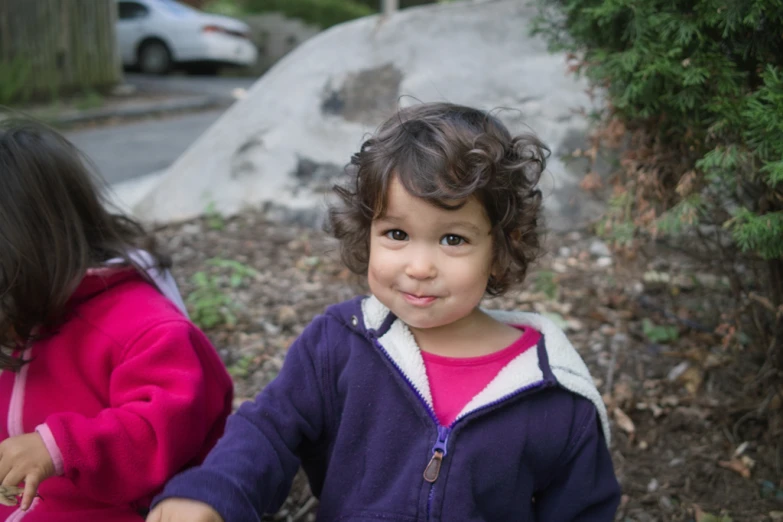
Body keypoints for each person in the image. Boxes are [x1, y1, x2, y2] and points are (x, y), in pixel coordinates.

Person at [148, 102, 621, 521]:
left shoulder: (554, 396)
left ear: (502, 248)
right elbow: (269, 430)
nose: (418, 267)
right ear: (366, 230)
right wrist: (213, 493)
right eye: (396, 234)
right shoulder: (338, 344)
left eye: (452, 239)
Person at [0, 119, 234, 521]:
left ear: (26, 254)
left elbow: (165, 426)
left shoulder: (143, 328)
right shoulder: (25, 310)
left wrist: (59, 448)